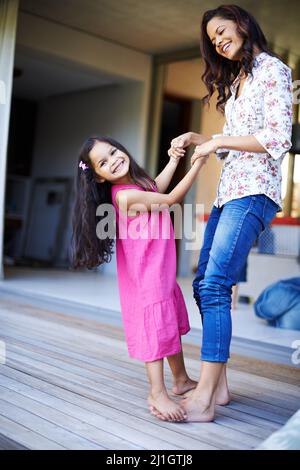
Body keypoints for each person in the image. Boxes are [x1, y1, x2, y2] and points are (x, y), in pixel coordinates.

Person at [169, 4, 293, 422]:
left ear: (243, 24)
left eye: (222, 31)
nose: (218, 41)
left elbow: (276, 137)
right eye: (212, 39)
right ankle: (218, 387)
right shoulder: (240, 80)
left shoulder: (271, 69)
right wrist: (199, 138)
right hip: (229, 194)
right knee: (204, 282)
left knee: (216, 283)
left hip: (255, 191)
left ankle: (204, 396)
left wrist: (217, 142)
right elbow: (233, 141)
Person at [70, 135, 208, 422]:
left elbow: (156, 188)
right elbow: (169, 199)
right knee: (156, 329)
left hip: (160, 268)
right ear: (98, 176)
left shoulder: (134, 186)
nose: (114, 160)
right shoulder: (124, 195)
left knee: (166, 324)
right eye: (104, 162)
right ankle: (157, 392)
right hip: (148, 273)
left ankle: (181, 379)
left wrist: (174, 160)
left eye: (113, 151)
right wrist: (198, 163)